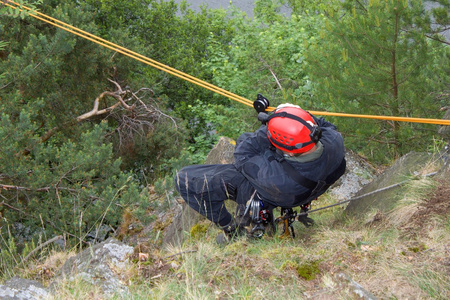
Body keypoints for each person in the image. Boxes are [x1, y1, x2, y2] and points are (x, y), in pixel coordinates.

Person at [174, 103, 346, 243]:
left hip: (281, 191)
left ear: (290, 151)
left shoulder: (274, 177)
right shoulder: (335, 141)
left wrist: (268, 127)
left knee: (184, 179)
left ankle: (231, 228)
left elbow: (242, 153)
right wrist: (291, 114)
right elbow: (320, 123)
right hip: (309, 181)